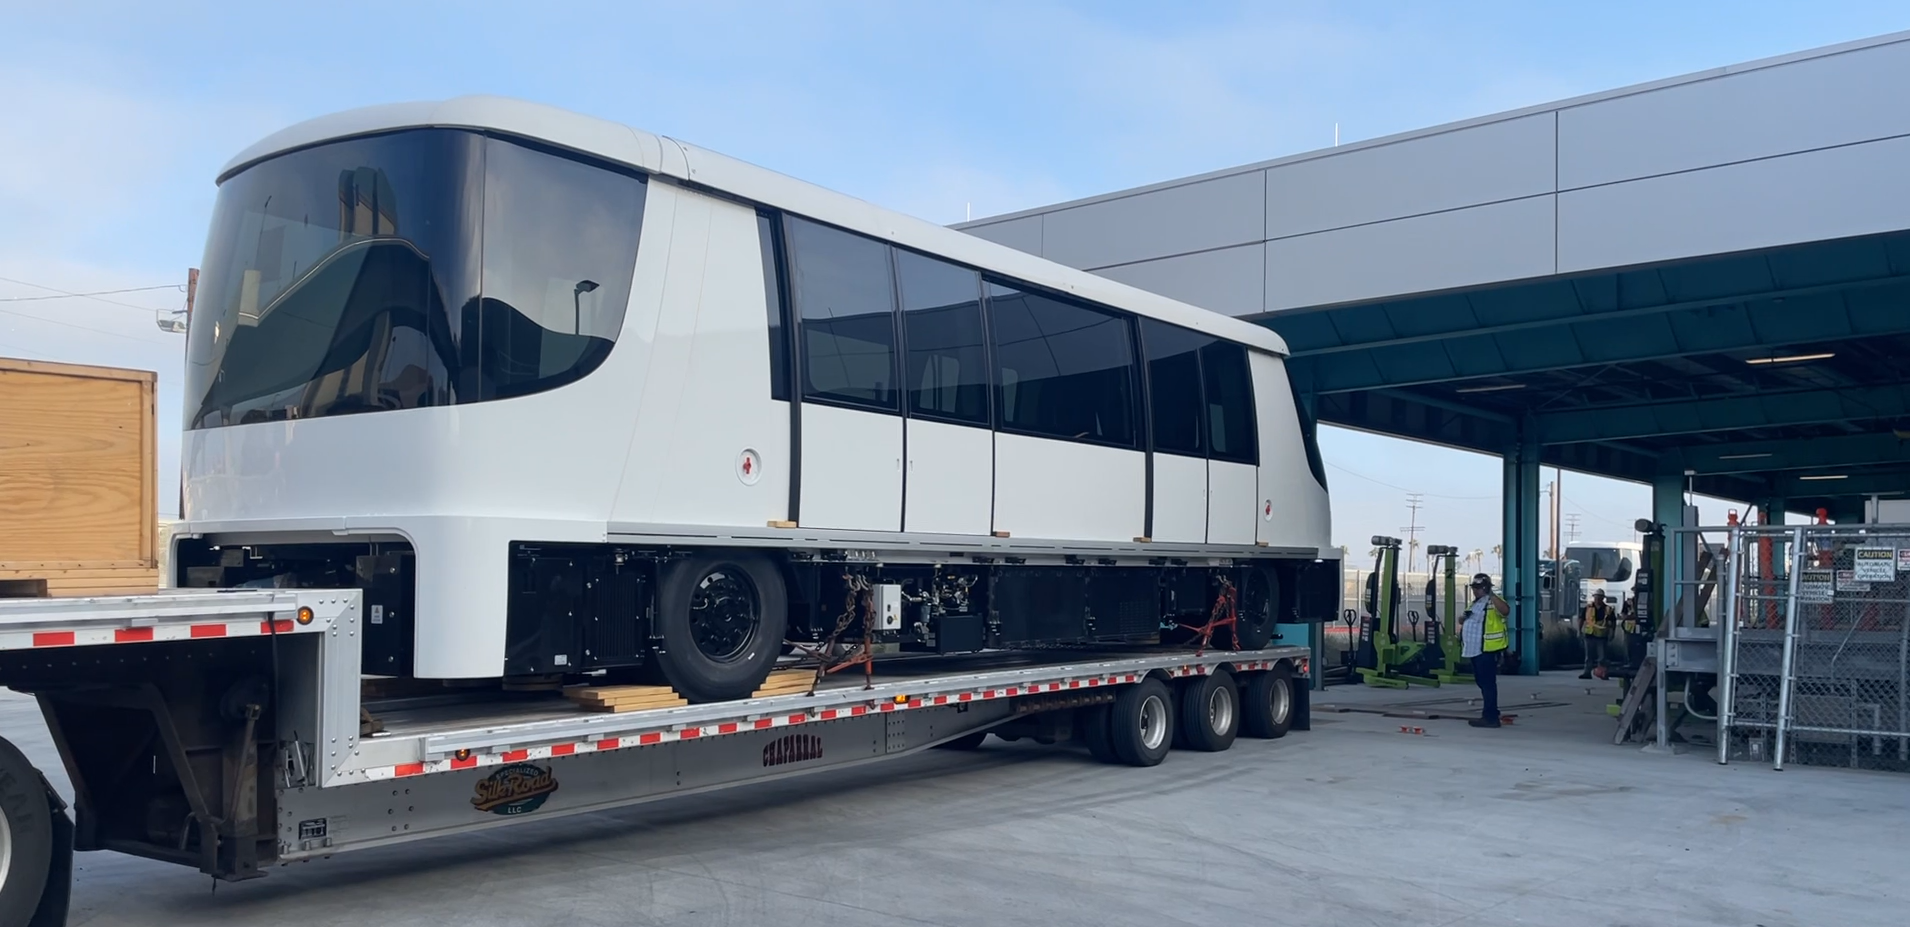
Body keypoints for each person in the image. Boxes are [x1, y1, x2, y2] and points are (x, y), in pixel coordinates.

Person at [1461, 573, 1510, 728]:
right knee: (1482, 682)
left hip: (1487, 649)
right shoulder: (1475, 603)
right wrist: (1462, 619)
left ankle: (1490, 717)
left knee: (1488, 684)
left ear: (1486, 588)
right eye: (1474, 588)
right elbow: (1466, 618)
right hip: (1474, 649)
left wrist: (1491, 594)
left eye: (1478, 588)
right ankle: (1490, 713)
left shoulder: (1492, 601)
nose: (1475, 591)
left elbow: (1505, 610)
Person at [1579, 589, 1615, 679]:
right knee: (1588, 656)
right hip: (1589, 634)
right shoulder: (1588, 608)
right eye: (1596, 597)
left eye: (1599, 598)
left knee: (1602, 657)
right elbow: (1581, 619)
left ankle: (1602, 673)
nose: (1597, 599)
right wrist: (1579, 630)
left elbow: (1612, 622)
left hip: (1601, 636)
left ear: (1603, 599)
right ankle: (1587, 673)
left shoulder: (1608, 609)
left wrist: (1612, 633)